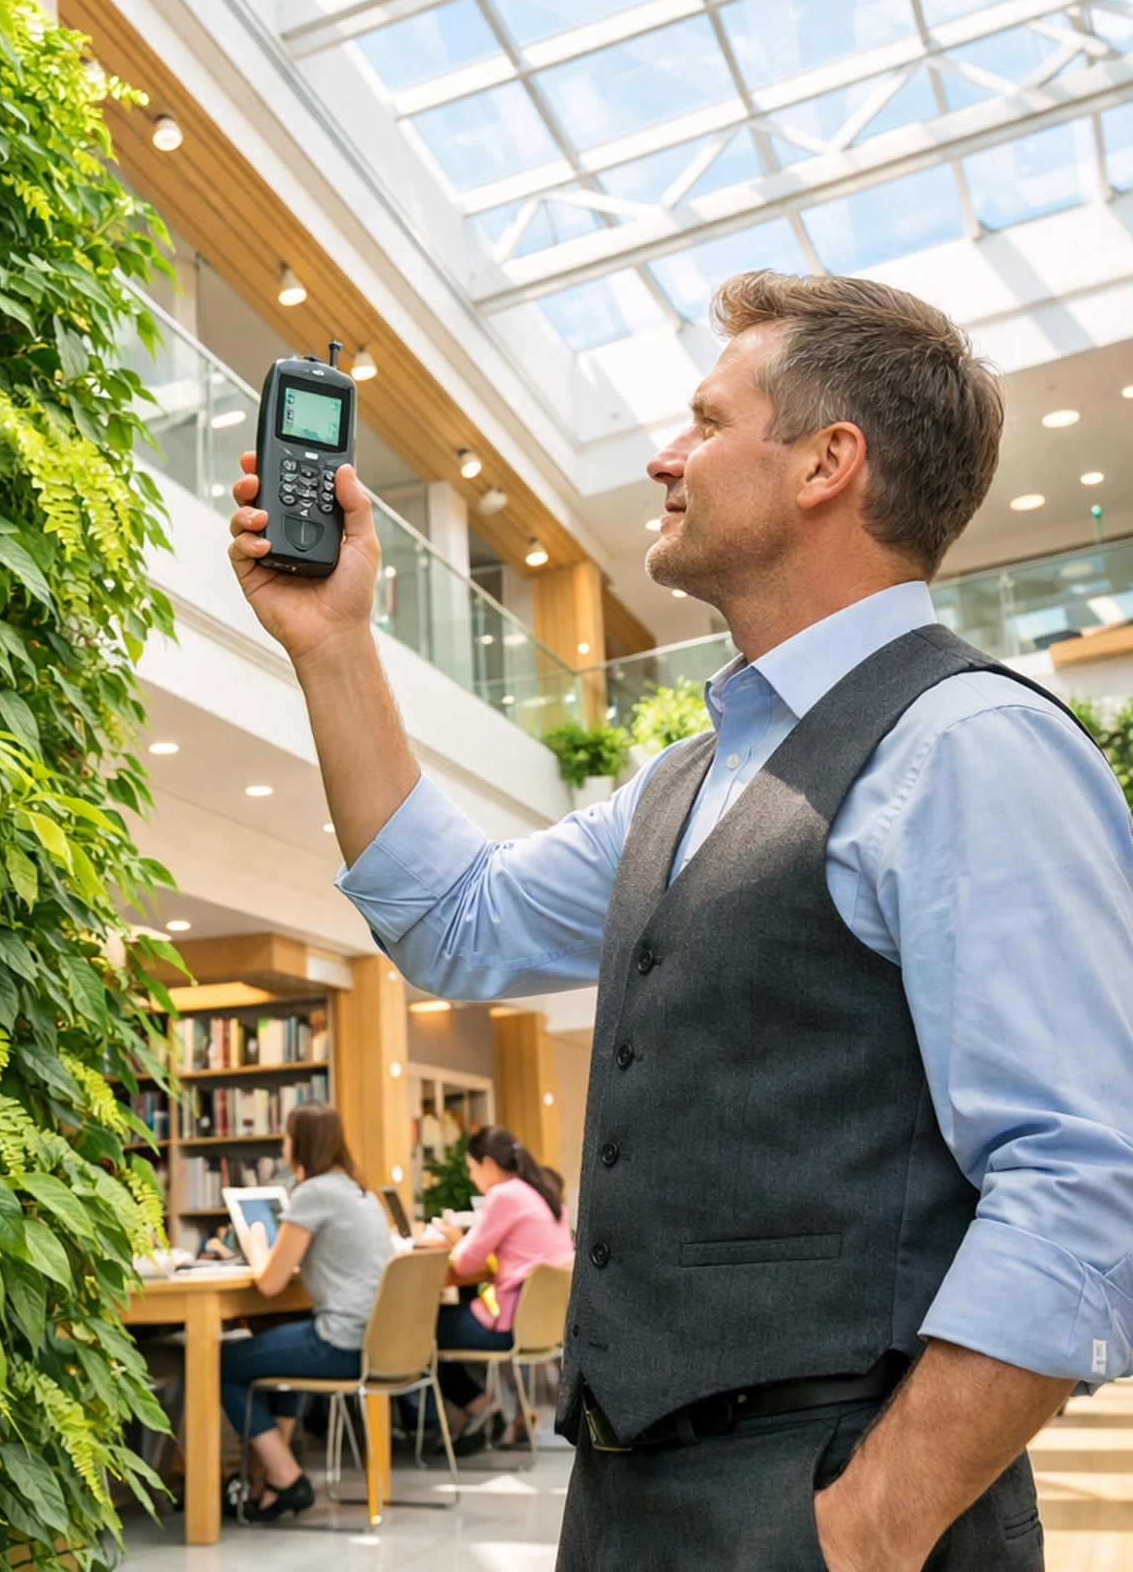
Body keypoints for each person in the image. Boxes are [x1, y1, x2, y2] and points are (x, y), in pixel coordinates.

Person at [228, 270, 1133, 1571]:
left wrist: (866, 1530)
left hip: (829, 1506)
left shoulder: (971, 744)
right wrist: (332, 643)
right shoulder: (683, 783)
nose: (665, 454)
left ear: (829, 462)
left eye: (706, 422)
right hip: (631, 1497)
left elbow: (1084, 1188)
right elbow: (455, 921)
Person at [217, 1101, 390, 1523]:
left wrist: (256, 1243)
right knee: (276, 1356)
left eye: (288, 1136)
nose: (283, 1145)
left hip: (342, 1341)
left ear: (302, 1143)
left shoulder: (313, 1193)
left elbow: (271, 1283)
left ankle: (285, 1474)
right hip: (376, 1340)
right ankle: (267, 1485)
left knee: (221, 1364)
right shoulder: (357, 1189)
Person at [424, 1124, 573, 1450]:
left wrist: (453, 1239)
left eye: (472, 1168)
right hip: (543, 1324)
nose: (471, 1175)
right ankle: (485, 1412)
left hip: (510, 1323)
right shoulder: (543, 1192)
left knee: (418, 1330)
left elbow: (464, 1263)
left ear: (488, 1163)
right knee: (449, 1321)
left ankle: (477, 1406)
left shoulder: (504, 1194)